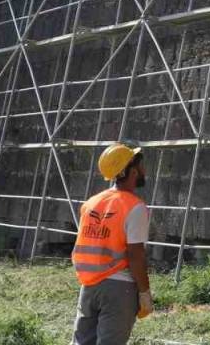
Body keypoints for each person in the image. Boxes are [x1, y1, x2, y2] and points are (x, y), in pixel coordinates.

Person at [71, 142, 153, 345]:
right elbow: (136, 256)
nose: (144, 171)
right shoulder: (134, 207)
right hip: (119, 288)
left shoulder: (91, 203)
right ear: (132, 171)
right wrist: (144, 292)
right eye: (140, 166)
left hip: (89, 286)